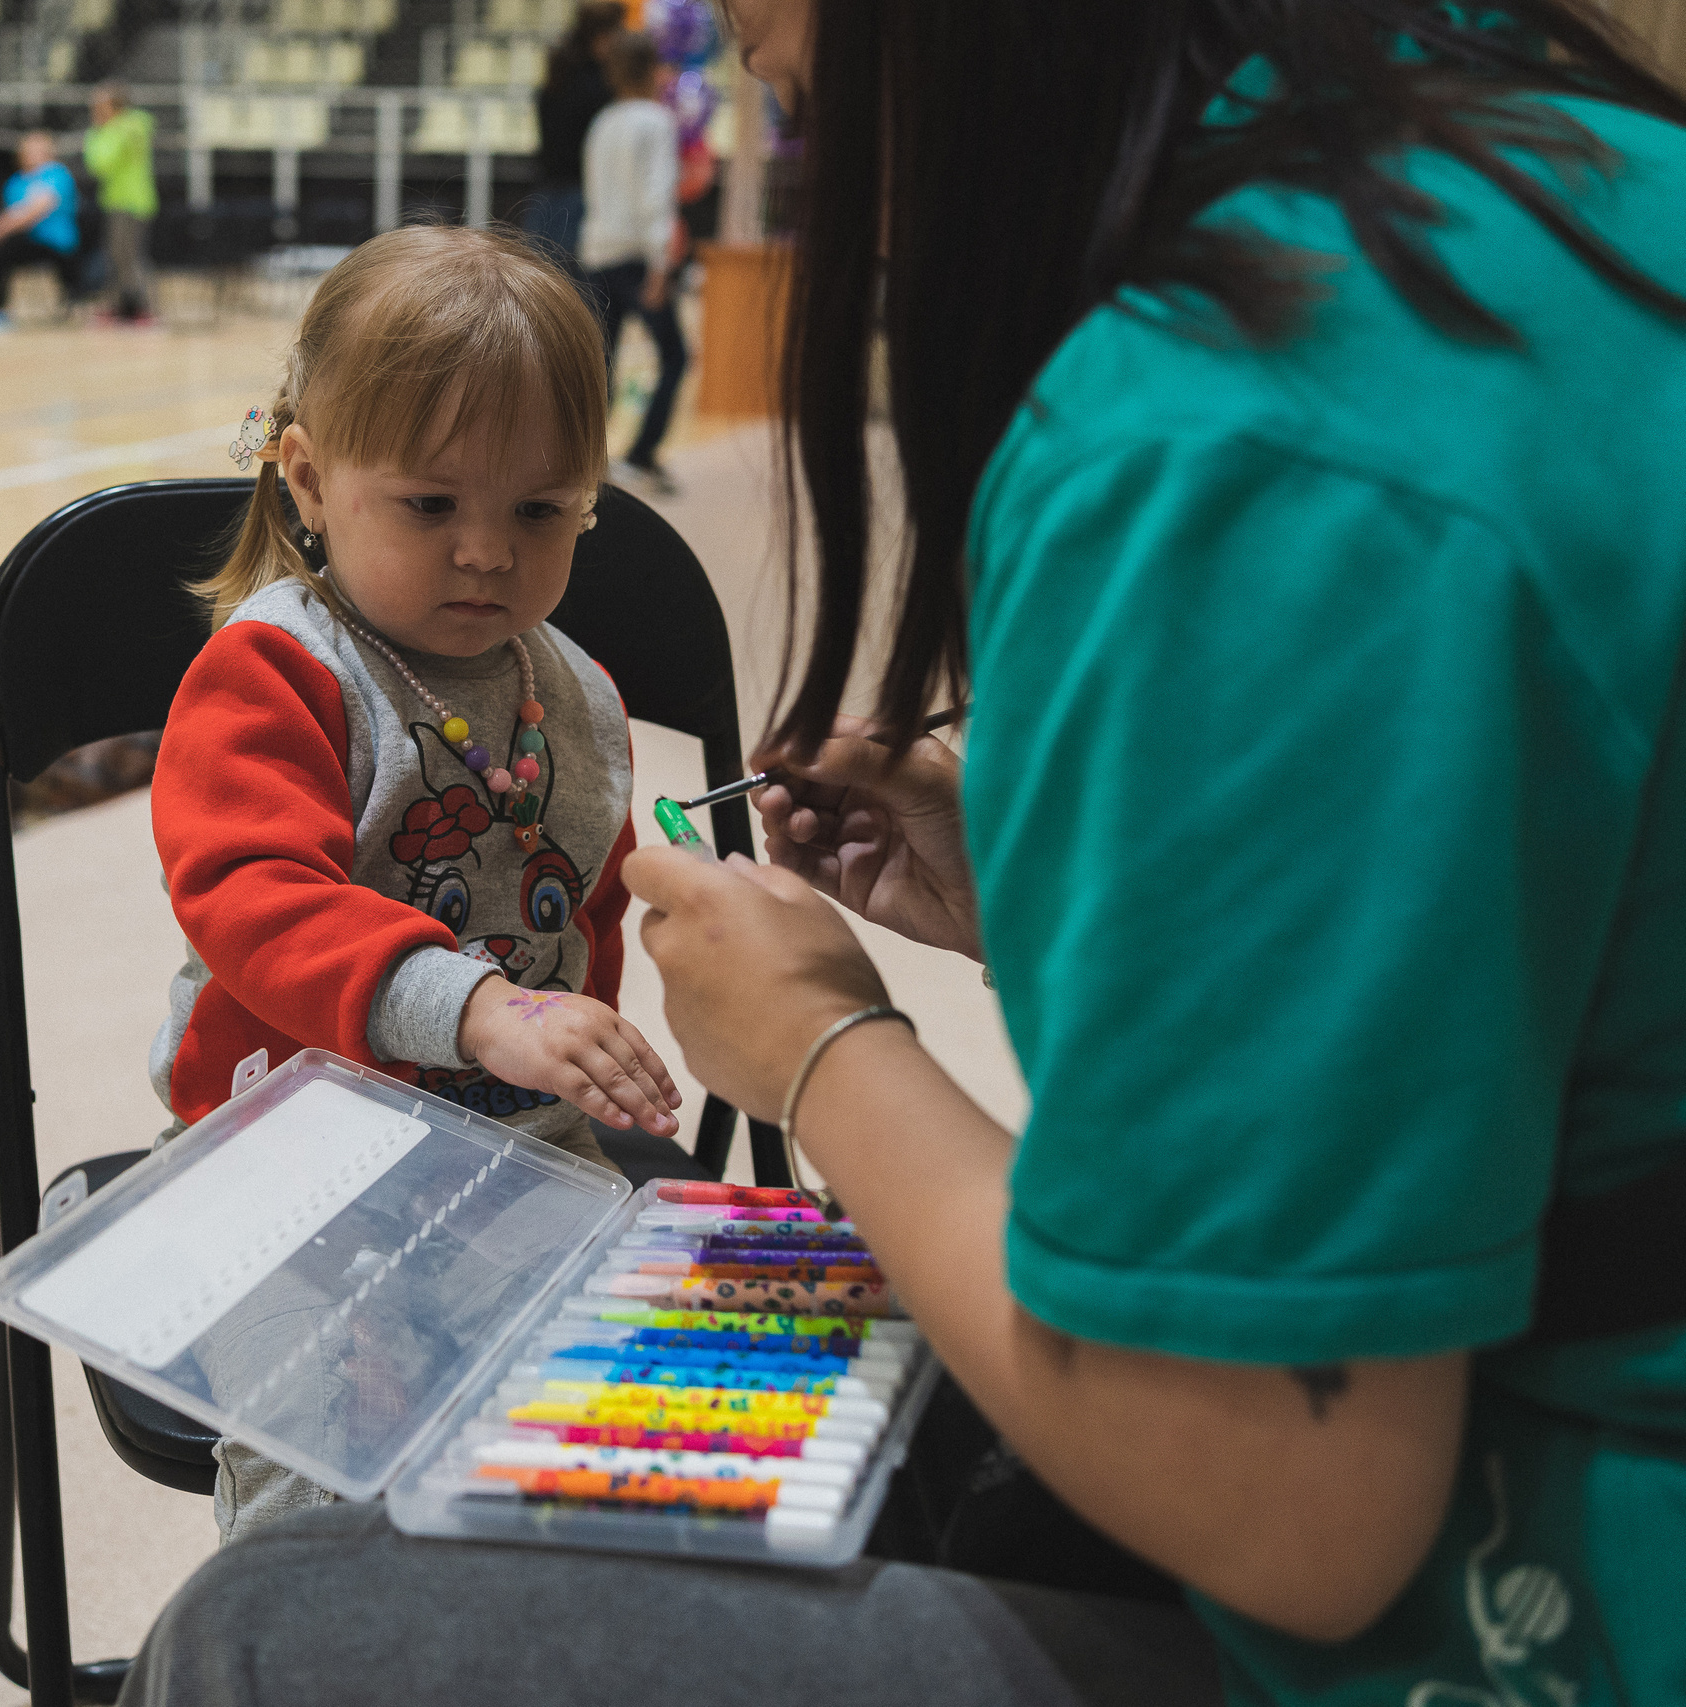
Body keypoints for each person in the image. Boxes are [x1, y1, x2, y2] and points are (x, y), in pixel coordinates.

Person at [113, 4, 1686, 1704]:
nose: (847, 215)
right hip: (335, 1152)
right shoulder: (1555, 174)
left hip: (1537, 1579)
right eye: (431, 506)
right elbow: (1457, 942)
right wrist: (1038, 878)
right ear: (309, 480)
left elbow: (1292, 1494)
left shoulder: (1240, 424)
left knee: (264, 1631)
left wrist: (819, 1045)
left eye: (801, 99)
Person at [150, 222, 684, 1546]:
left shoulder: (575, 690)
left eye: (539, 510)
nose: (488, 552)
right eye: (432, 506)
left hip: (519, 1148)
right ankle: (291, 1630)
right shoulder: (275, 670)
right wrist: (482, 1008)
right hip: (281, 1155)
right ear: (309, 479)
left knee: (614, 1420)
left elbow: (581, 910)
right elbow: (256, 893)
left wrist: (586, 1046)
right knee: (323, 1450)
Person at [579, 32, 689, 496]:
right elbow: (655, 198)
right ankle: (641, 455)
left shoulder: (602, 122)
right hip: (638, 259)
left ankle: (585, 461)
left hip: (597, 253)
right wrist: (662, 264)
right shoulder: (657, 121)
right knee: (675, 356)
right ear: (651, 70)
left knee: (602, 363)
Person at [525, 0, 624, 275]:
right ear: (602, 36)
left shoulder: (559, 71)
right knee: (571, 286)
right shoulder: (600, 85)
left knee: (542, 280)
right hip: (579, 197)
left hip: (546, 194)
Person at [0, 131, 79, 332]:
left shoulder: (57, 174)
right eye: (28, 150)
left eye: (37, 150)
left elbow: (33, 211)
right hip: (25, 240)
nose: (31, 154)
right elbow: (11, 214)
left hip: (55, 244)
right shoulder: (15, 182)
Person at [82, 81, 157, 323]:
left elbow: (99, 164)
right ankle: (123, 308)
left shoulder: (118, 128)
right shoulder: (135, 124)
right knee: (118, 256)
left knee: (127, 257)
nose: (94, 110)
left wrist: (95, 133)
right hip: (124, 201)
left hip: (129, 202)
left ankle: (142, 308)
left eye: (99, 105)